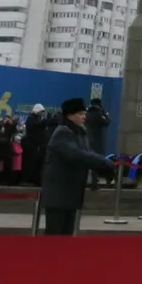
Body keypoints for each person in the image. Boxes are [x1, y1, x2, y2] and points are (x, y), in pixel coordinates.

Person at [39, 98, 115, 237]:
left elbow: (87, 153)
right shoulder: (63, 132)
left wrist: (103, 165)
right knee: (55, 235)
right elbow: (76, 155)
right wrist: (103, 162)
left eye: (84, 113)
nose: (84, 116)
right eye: (80, 113)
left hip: (70, 193)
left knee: (67, 235)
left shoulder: (78, 132)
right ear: (69, 115)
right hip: (58, 194)